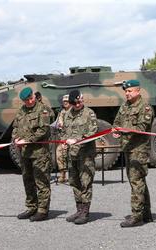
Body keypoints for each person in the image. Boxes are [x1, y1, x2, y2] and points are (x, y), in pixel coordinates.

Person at [113, 79, 154, 228]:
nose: (127, 93)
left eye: (129, 91)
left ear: (138, 91)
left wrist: (125, 129)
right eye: (126, 91)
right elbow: (117, 121)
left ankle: (137, 216)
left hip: (139, 149)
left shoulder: (145, 107)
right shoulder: (125, 105)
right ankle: (146, 213)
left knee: (136, 181)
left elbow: (143, 126)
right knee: (137, 181)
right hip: (127, 148)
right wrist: (116, 130)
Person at [12, 87, 52, 222]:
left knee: (41, 182)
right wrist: (15, 139)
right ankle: (31, 207)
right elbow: (15, 127)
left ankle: (43, 211)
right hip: (24, 153)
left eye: (30, 98)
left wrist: (27, 140)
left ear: (34, 96)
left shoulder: (43, 109)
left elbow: (43, 130)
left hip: (39, 153)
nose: (29, 102)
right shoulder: (21, 111)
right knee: (28, 181)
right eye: (26, 100)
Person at [61, 89, 98, 225]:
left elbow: (93, 132)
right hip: (72, 154)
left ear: (82, 99)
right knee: (74, 181)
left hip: (85, 154)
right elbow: (63, 131)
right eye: (74, 103)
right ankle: (79, 209)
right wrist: (64, 141)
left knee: (85, 182)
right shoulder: (67, 114)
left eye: (79, 102)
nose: (77, 105)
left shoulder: (89, 113)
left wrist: (77, 139)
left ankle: (85, 212)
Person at [55, 94, 71, 183]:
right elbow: (59, 122)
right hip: (62, 138)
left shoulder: (73, 111)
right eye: (64, 101)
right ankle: (62, 175)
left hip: (72, 138)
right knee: (59, 154)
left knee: (71, 157)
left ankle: (73, 176)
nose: (65, 103)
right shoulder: (61, 112)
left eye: (67, 101)